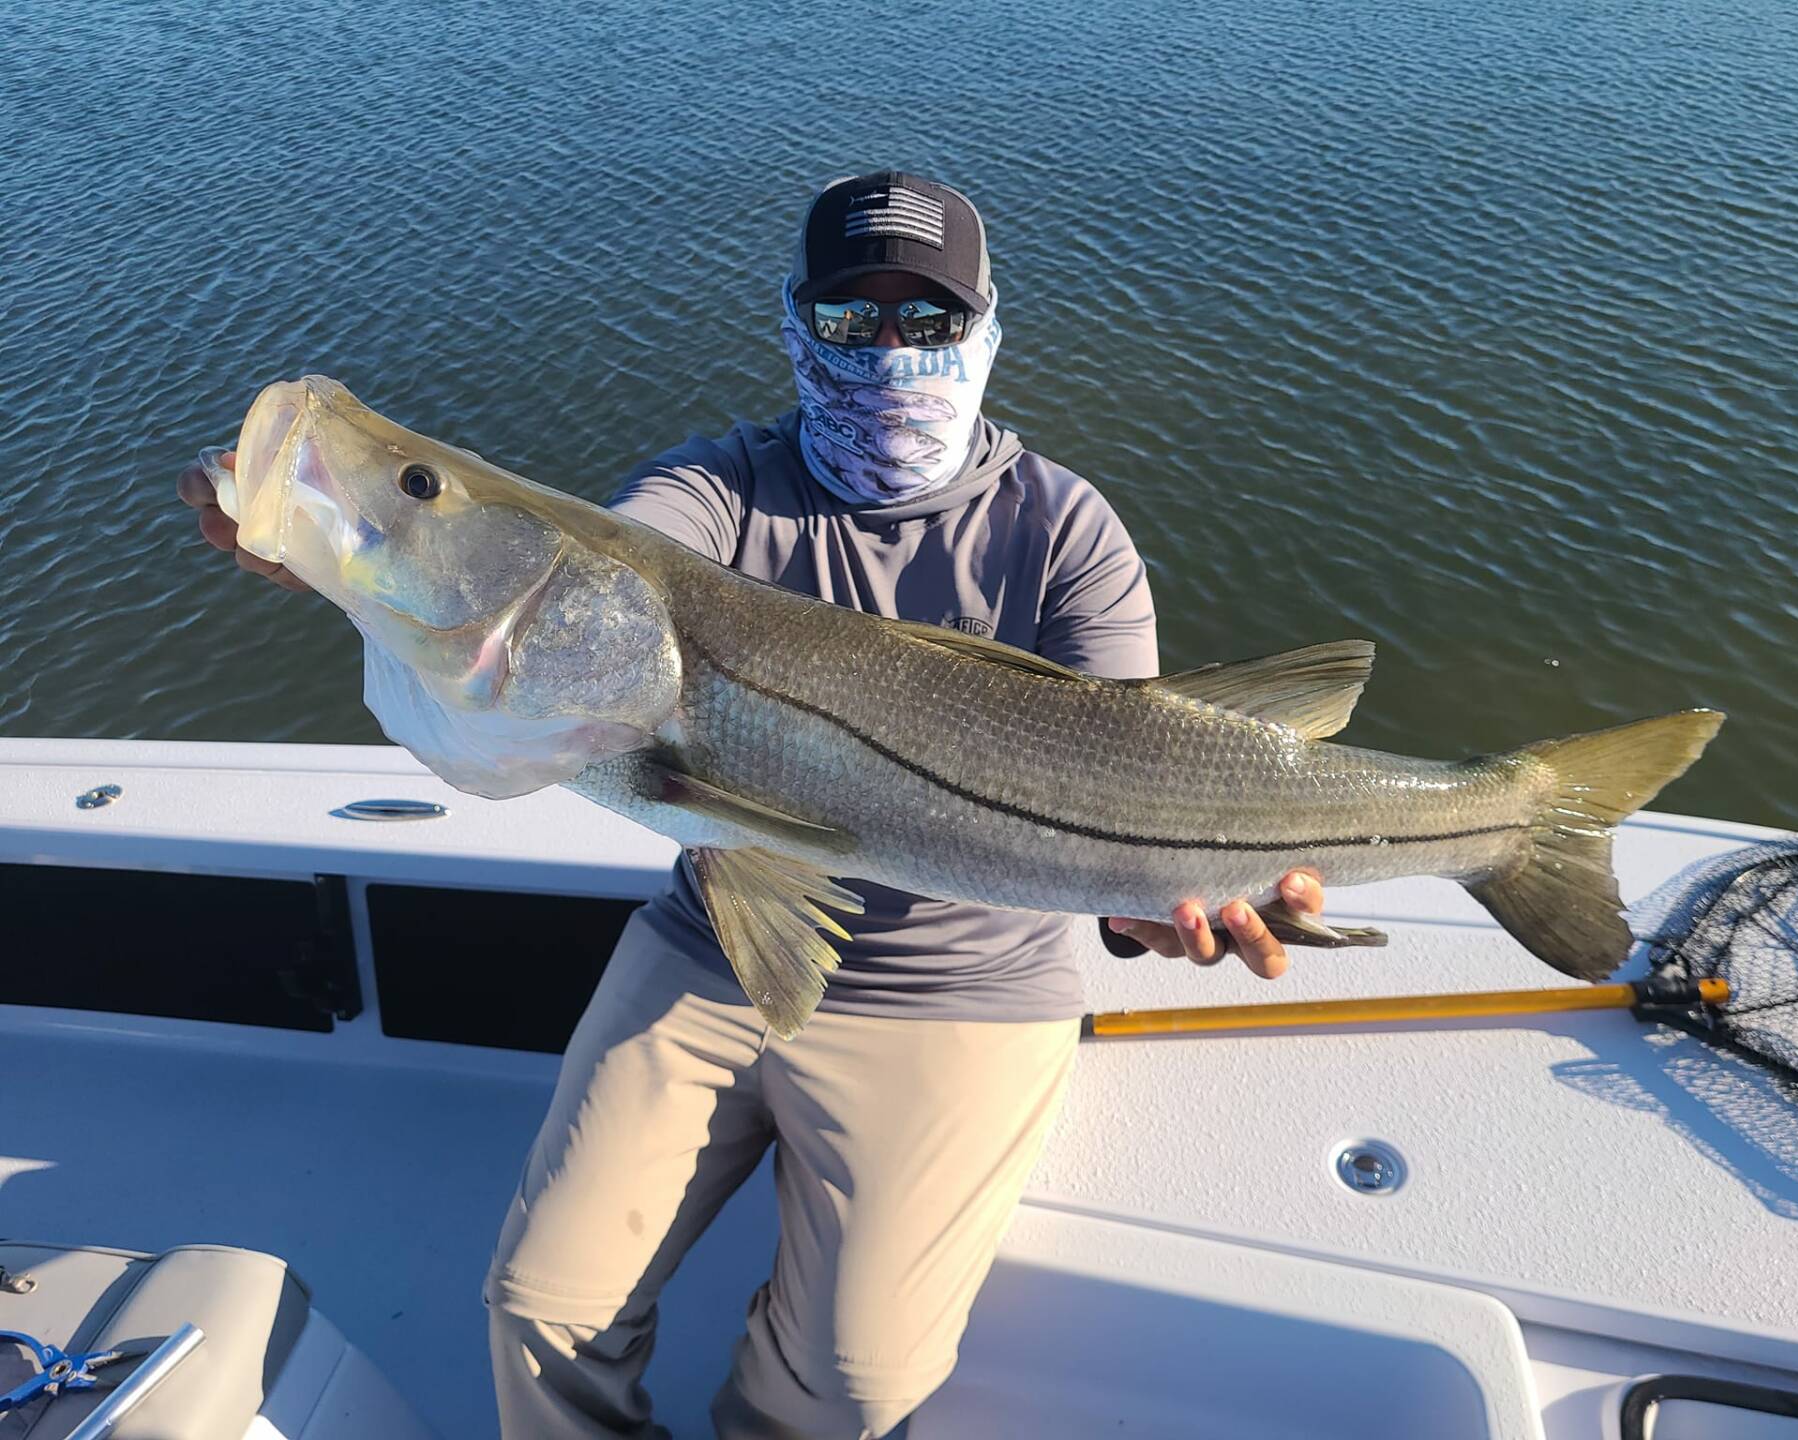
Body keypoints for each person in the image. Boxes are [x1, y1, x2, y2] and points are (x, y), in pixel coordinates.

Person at [179, 170, 1323, 1439]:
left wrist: (1155, 914)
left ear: (987, 327)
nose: (889, 352)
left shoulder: (1066, 534)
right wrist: (342, 552)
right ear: (796, 324)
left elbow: (1137, 779)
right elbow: (607, 567)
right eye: (850, 319)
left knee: (858, 1384)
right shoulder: (715, 492)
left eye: (927, 320)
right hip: (715, 938)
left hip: (967, 983)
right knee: (535, 1309)